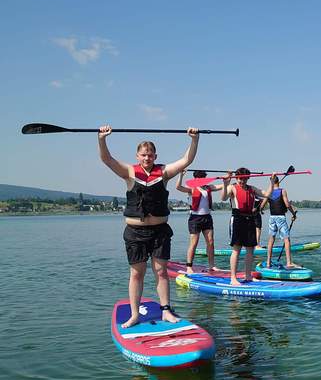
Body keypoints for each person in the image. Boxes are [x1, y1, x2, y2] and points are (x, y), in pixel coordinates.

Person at [98, 124, 199, 328]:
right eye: (143, 155)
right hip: (135, 233)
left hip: (160, 232)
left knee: (161, 272)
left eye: (150, 155)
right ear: (137, 156)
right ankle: (135, 314)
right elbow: (107, 159)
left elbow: (186, 160)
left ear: (155, 156)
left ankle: (166, 311)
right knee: (137, 273)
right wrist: (102, 139)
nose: (147, 158)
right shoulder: (129, 172)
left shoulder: (164, 173)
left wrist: (194, 139)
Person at [220, 168, 275, 285]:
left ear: (248, 178)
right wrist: (225, 184)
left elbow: (267, 194)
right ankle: (233, 278)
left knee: (250, 249)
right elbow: (223, 198)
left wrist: (271, 182)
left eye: (245, 179)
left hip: (249, 219)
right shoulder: (232, 187)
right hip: (237, 219)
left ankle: (248, 275)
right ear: (236, 178)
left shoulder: (252, 189)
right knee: (237, 249)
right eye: (240, 179)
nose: (242, 181)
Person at [176, 170, 223, 273]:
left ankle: (211, 265)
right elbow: (178, 187)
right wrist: (181, 175)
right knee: (194, 243)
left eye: (203, 178)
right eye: (200, 179)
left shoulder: (208, 187)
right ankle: (189, 266)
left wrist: (226, 178)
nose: (202, 181)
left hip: (207, 218)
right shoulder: (191, 189)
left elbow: (221, 186)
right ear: (196, 179)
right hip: (195, 219)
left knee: (210, 242)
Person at [265, 175, 299, 268]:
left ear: (271, 182)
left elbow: (263, 204)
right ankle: (289, 262)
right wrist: (293, 214)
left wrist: (260, 210)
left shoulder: (269, 192)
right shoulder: (282, 191)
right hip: (281, 217)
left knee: (271, 239)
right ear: (278, 181)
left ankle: (268, 262)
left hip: (272, 218)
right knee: (286, 239)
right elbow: (287, 204)